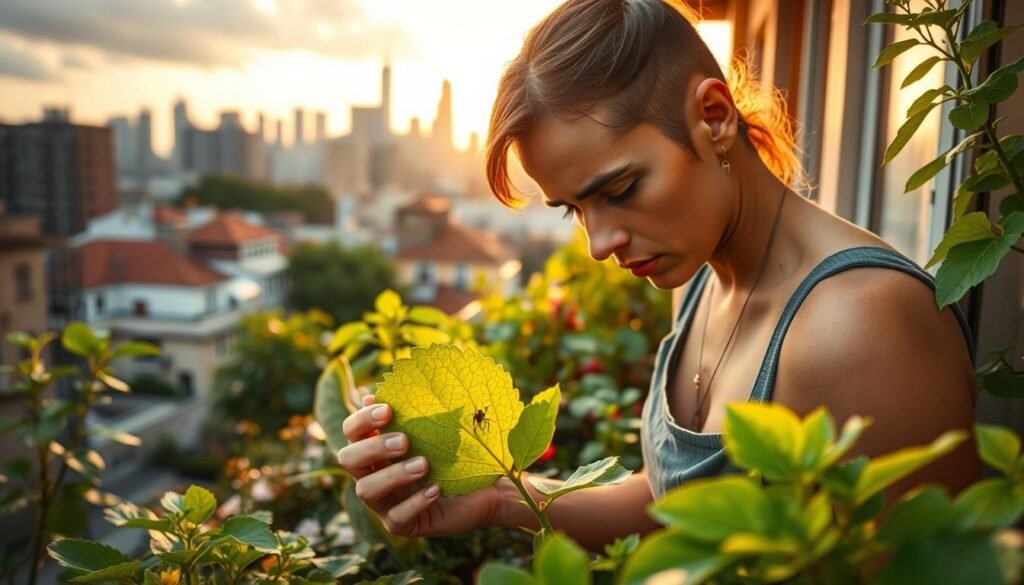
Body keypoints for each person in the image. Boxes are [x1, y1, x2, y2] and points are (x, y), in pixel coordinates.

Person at [336, 0, 982, 551]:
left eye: (620, 187)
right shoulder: (700, 279)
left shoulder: (863, 322)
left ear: (715, 117)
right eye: (574, 209)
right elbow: (670, 501)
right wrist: (501, 494)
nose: (599, 244)